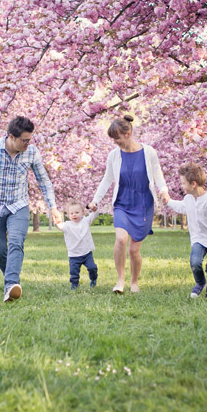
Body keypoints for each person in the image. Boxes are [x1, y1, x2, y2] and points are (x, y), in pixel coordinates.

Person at [0, 116, 62, 303]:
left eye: (29, 139)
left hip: (19, 205)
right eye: (24, 140)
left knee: (16, 242)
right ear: (11, 137)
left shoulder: (31, 152)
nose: (28, 143)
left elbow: (44, 181)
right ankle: (11, 279)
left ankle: (11, 284)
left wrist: (53, 207)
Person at [87, 115, 169, 293]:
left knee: (133, 250)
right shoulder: (114, 155)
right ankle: (120, 281)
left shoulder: (149, 152)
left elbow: (158, 175)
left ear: (128, 133)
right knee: (121, 239)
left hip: (143, 204)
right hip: (122, 203)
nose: (115, 142)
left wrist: (164, 190)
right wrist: (95, 200)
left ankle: (134, 282)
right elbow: (107, 179)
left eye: (117, 138)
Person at [165, 163, 207, 302]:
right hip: (198, 240)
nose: (182, 186)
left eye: (183, 183)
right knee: (195, 263)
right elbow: (182, 207)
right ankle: (200, 283)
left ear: (193, 184)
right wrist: (169, 201)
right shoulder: (188, 199)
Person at [56, 200, 98, 290]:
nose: (74, 215)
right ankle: (74, 285)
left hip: (87, 253)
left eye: (77, 212)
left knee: (92, 268)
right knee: (74, 273)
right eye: (71, 213)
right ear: (68, 215)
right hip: (74, 255)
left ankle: (93, 279)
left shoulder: (86, 221)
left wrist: (94, 208)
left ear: (82, 213)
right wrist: (57, 222)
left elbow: (95, 214)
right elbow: (60, 226)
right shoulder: (67, 225)